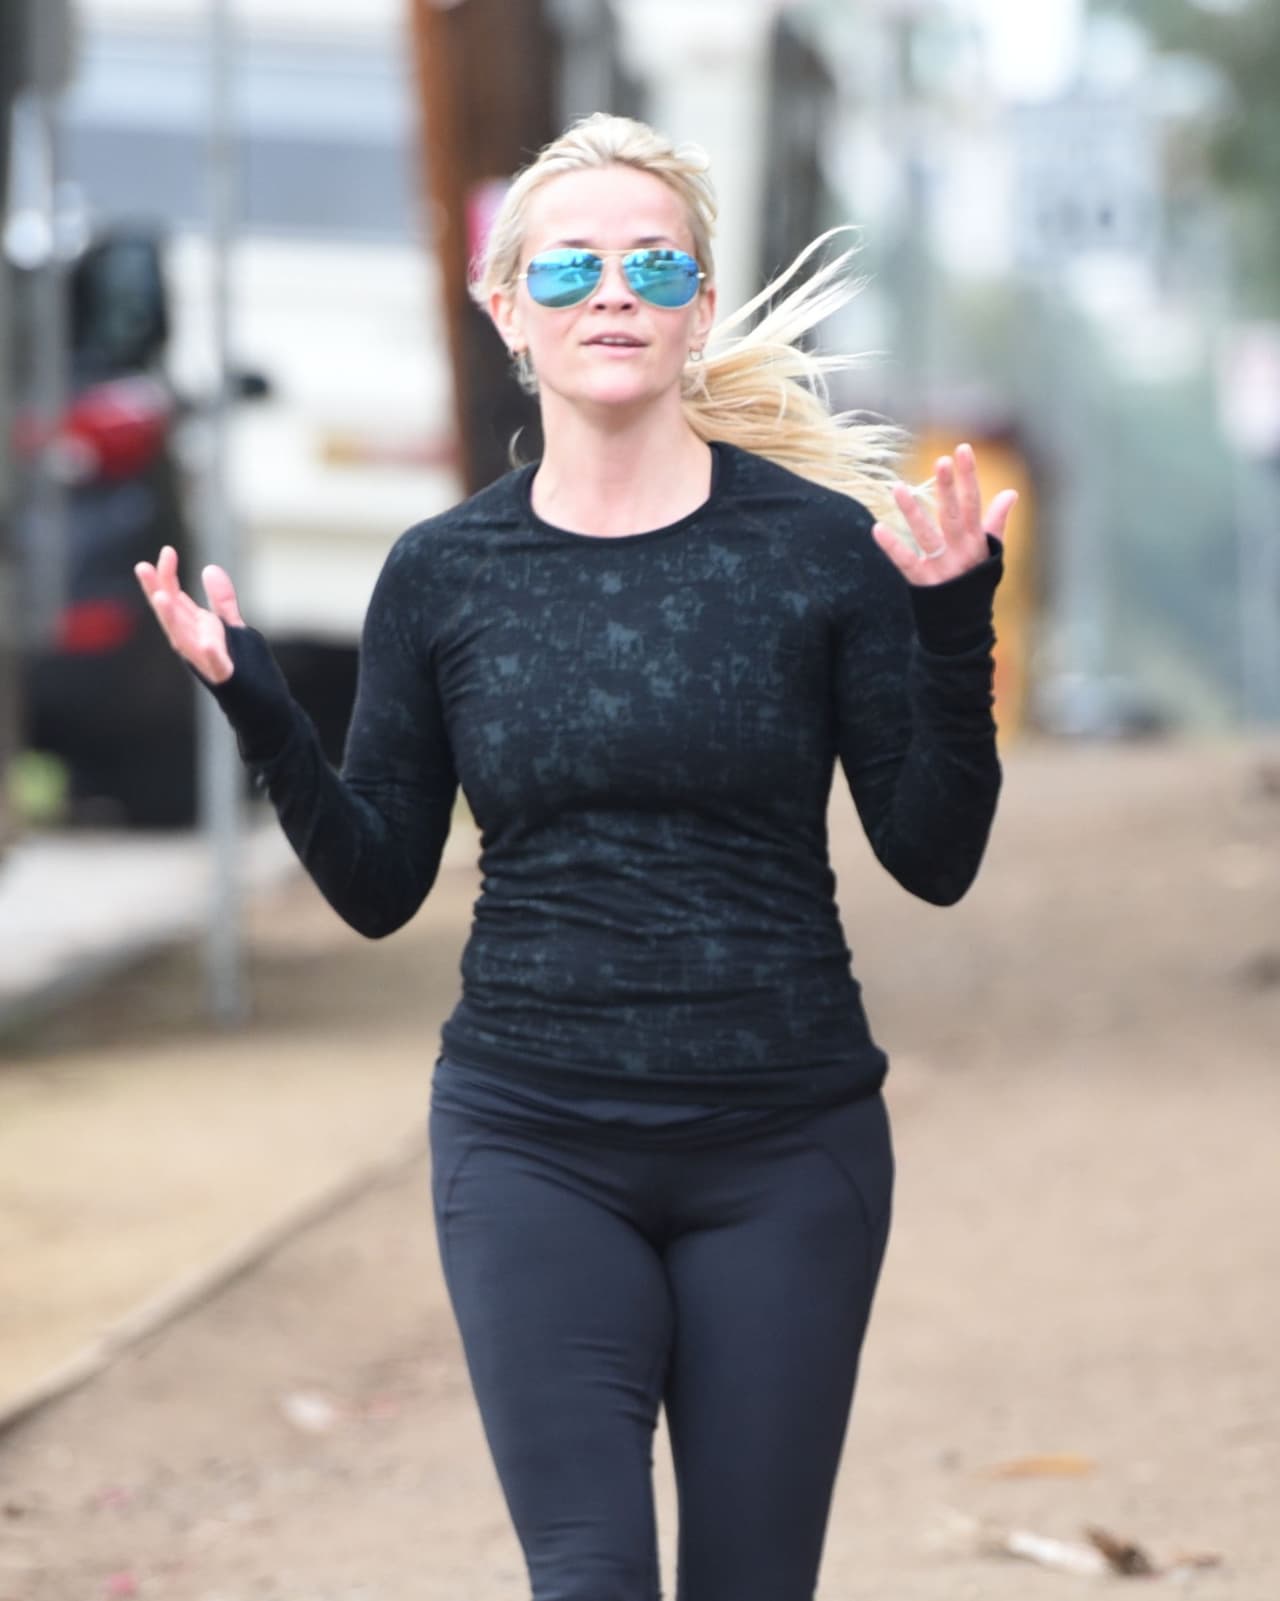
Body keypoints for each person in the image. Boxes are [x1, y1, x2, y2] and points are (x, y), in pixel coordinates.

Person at [137, 113, 1016, 1601]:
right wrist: (260, 704)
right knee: (590, 1577)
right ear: (509, 310)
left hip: (786, 1147)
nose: (614, 291)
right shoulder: (442, 574)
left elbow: (934, 856)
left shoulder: (818, 554)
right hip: (533, 1139)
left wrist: (950, 626)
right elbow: (378, 883)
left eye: (652, 261)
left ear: (698, 305)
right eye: (573, 266)